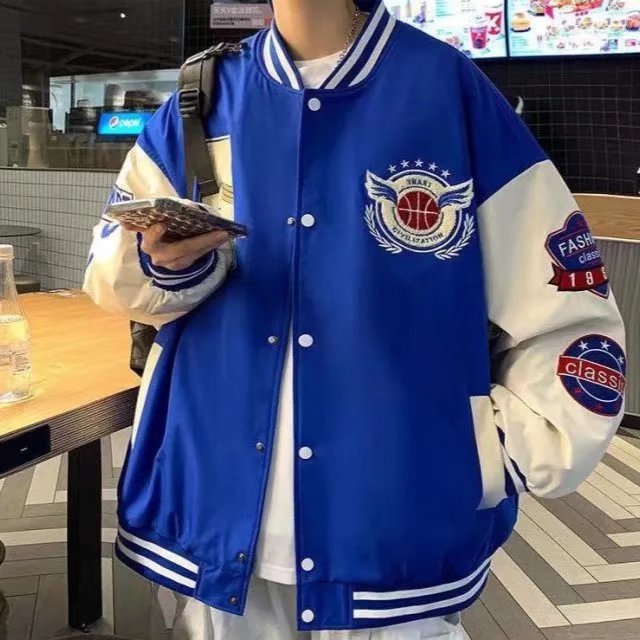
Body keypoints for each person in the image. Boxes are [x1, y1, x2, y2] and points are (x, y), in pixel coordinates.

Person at [83, 0, 626, 638]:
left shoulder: (446, 89)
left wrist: (488, 458)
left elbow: (566, 309)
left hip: (395, 518)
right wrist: (172, 264)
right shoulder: (202, 98)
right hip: (214, 506)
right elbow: (115, 281)